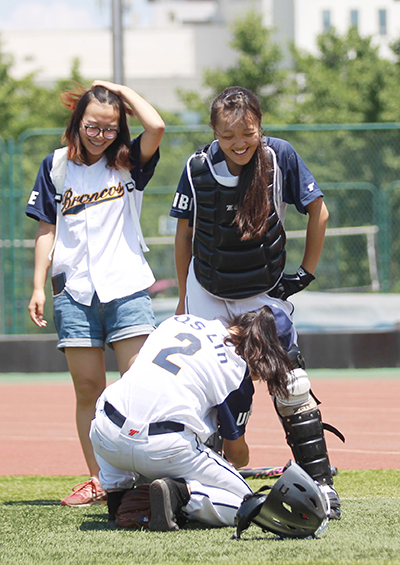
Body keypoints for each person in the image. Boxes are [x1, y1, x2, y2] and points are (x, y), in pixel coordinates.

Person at [169, 87, 342, 519]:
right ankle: (199, 483)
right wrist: (183, 295)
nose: (239, 143)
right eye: (228, 137)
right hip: (207, 288)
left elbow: (318, 211)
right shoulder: (196, 167)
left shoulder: (280, 156)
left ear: (259, 126)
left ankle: (319, 483)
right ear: (214, 133)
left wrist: (306, 272)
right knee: (203, 388)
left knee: (292, 382)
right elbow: (185, 236)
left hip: (263, 289)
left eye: (247, 133)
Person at [26, 80, 165, 507]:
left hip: (126, 289)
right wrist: (37, 286)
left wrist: (118, 90)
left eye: (110, 127)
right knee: (88, 390)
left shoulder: (129, 162)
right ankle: (98, 478)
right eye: (93, 126)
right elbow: (47, 230)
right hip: (75, 294)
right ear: (77, 122)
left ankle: (146, 475)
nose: (101, 135)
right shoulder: (55, 167)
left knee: (137, 386)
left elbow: (157, 125)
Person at [90, 306, 295, 530]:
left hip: (105, 433)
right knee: (249, 504)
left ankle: (117, 499)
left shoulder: (178, 321)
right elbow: (237, 455)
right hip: (164, 448)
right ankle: (180, 495)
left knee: (117, 412)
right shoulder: (237, 371)